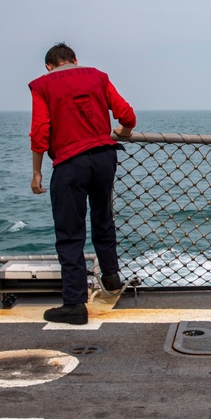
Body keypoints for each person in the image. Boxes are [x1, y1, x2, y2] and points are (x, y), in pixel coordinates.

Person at [29, 43, 136, 325]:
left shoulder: (42, 85)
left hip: (70, 163)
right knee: (103, 217)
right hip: (104, 157)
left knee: (70, 233)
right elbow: (127, 115)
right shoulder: (98, 76)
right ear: (75, 60)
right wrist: (123, 132)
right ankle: (112, 278)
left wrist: (37, 172)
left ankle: (75, 303)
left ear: (49, 66)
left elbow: (40, 131)